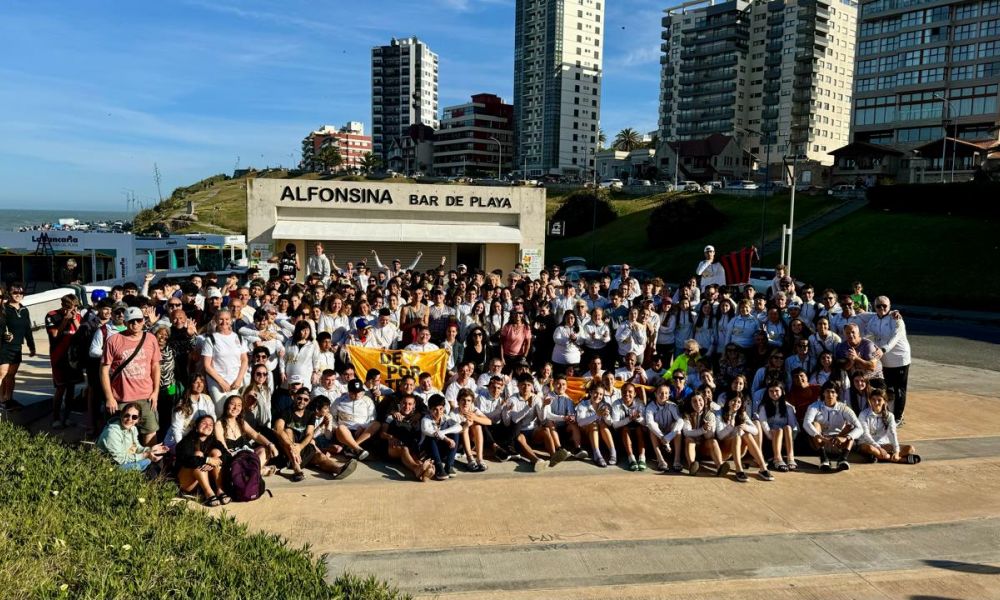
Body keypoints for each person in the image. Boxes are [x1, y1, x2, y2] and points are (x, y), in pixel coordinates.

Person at [101, 307, 161, 445]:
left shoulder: (150, 338)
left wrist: (155, 392)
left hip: (146, 396)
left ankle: (150, 458)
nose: (135, 324)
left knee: (150, 431)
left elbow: (155, 366)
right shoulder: (113, 340)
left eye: (138, 320)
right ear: (125, 322)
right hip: (121, 397)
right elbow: (104, 370)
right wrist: (109, 397)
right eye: (131, 321)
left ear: (143, 321)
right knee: (119, 434)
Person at [274, 387, 357, 482]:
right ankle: (297, 469)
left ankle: (339, 469)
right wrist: (292, 446)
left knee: (320, 456)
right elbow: (278, 429)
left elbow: (310, 434)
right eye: (299, 398)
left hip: (302, 448)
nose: (302, 401)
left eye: (305, 399)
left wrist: (300, 447)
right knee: (288, 430)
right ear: (294, 397)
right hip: (287, 452)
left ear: (308, 401)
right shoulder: (286, 412)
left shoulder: (310, 414)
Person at [867, 296, 911, 424]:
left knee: (899, 389)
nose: (882, 308)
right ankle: (887, 414)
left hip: (900, 359)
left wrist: (883, 349)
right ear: (874, 307)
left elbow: (895, 338)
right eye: (878, 306)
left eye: (884, 306)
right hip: (884, 361)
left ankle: (898, 417)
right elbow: (866, 332)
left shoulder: (896, 319)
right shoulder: (873, 319)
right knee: (888, 389)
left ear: (890, 306)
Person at [803, 380, 863, 472]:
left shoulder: (844, 408)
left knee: (851, 427)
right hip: (820, 442)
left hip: (839, 443)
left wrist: (845, 438)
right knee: (815, 424)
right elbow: (806, 423)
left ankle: (843, 459)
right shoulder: (814, 406)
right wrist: (822, 438)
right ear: (823, 393)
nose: (830, 395)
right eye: (827, 391)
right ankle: (824, 459)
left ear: (837, 394)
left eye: (833, 392)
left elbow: (860, 428)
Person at [215, 394, 279, 476]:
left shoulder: (241, 422)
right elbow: (222, 447)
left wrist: (270, 444)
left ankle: (252, 472)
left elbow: (256, 435)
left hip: (247, 454)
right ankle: (258, 471)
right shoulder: (219, 424)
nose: (235, 407)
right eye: (232, 404)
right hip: (233, 458)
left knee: (265, 450)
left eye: (239, 405)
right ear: (226, 405)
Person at [716, 392, 774, 482]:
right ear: (728, 402)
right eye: (733, 401)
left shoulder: (742, 413)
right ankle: (739, 469)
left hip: (739, 451)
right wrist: (730, 427)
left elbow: (756, 431)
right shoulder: (720, 413)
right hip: (724, 451)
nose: (736, 403)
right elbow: (720, 436)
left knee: (747, 434)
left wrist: (745, 427)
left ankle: (763, 468)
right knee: (737, 433)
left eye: (739, 402)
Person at [174, 415, 231, 506]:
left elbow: (228, 456)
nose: (208, 426)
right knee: (198, 454)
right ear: (196, 426)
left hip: (207, 480)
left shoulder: (214, 441)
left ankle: (220, 490)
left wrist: (215, 461)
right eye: (204, 423)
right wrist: (207, 460)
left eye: (211, 424)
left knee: (216, 452)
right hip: (188, 483)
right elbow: (186, 460)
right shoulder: (187, 441)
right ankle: (209, 493)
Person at [96, 404, 167, 476]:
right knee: (147, 462)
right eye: (127, 415)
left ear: (138, 420)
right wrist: (145, 455)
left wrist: (150, 449)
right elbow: (121, 460)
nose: (130, 419)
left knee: (152, 462)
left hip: (124, 460)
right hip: (110, 466)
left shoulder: (133, 428)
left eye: (134, 417)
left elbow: (137, 448)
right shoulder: (112, 433)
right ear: (121, 415)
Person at [46, 294, 83, 428]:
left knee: (71, 388)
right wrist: (65, 320)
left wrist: (74, 320)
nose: (73, 310)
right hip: (59, 357)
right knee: (61, 387)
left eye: (75, 307)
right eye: (70, 307)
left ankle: (67, 417)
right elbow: (55, 335)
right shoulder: (52, 315)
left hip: (73, 358)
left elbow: (82, 333)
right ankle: (56, 418)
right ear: (63, 306)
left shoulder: (78, 316)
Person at [201, 309, 249, 410]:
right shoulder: (210, 339)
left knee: (233, 411)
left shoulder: (238, 338)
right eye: (221, 319)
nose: (224, 322)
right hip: (216, 383)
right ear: (216, 320)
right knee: (220, 411)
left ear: (231, 320)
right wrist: (221, 382)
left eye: (227, 319)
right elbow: (207, 365)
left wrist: (239, 379)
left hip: (235, 382)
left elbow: (244, 360)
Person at [381, 392, 435, 481]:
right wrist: (390, 437)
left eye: (410, 404)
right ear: (400, 404)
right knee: (404, 449)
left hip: (411, 449)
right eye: (404, 403)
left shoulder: (417, 418)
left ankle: (424, 473)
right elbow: (382, 433)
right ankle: (417, 469)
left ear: (414, 406)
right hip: (393, 448)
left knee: (418, 460)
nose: (407, 406)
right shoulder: (391, 417)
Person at [858, 388, 921, 464]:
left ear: (884, 401)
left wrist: (896, 451)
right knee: (871, 448)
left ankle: (883, 457)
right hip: (867, 443)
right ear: (870, 401)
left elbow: (892, 433)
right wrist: (878, 447)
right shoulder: (863, 414)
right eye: (873, 400)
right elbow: (865, 434)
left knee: (911, 448)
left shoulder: (890, 416)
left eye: (879, 400)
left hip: (884, 444)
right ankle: (900, 459)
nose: (876, 402)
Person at [0, 282, 35, 411]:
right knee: (3, 374)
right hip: (4, 346)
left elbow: (27, 329)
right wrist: (4, 335)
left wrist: (31, 346)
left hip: (17, 346)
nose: (18, 295)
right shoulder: (3, 309)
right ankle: (1, 399)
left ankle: (8, 398)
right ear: (9, 294)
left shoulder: (24, 310)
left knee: (11, 375)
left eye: (21, 292)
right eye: (15, 292)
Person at [679, 393, 728, 477]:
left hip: (704, 446)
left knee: (713, 441)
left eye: (700, 400)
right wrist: (703, 429)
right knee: (689, 440)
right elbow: (687, 432)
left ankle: (720, 466)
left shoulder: (710, 414)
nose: (698, 403)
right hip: (691, 446)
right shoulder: (686, 414)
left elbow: (709, 436)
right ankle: (692, 466)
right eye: (694, 401)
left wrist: (708, 429)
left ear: (704, 401)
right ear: (690, 403)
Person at [756, 382, 799, 472]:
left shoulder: (788, 407)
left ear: (782, 392)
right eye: (771, 391)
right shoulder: (763, 406)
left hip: (786, 436)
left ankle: (791, 458)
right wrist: (770, 435)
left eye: (776, 391)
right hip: (770, 435)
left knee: (788, 428)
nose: (774, 393)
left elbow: (793, 424)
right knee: (778, 430)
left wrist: (792, 436)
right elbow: (763, 422)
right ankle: (777, 458)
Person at [165, 373, 216, 449]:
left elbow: (212, 416)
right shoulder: (182, 403)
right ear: (190, 384)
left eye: (201, 382)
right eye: (196, 382)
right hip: (180, 439)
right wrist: (182, 447)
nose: (200, 385)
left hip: (198, 438)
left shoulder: (206, 398)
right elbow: (177, 429)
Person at [608, 382, 648, 471]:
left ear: (634, 394)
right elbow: (615, 424)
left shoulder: (639, 403)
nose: (627, 394)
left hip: (638, 428)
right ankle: (631, 458)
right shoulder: (616, 404)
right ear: (621, 393)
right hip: (622, 431)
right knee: (625, 429)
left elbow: (646, 423)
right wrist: (629, 419)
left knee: (639, 429)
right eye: (624, 392)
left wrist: (638, 418)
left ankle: (642, 458)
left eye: (630, 392)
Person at [421, 394, 462, 480]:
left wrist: (442, 432)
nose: (438, 412)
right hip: (428, 451)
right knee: (431, 438)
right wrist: (446, 438)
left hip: (441, 450)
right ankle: (439, 467)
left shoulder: (446, 418)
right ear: (429, 409)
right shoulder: (425, 419)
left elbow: (459, 427)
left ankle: (449, 465)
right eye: (435, 409)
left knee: (455, 433)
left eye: (441, 409)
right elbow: (428, 431)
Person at [645, 383, 683, 472]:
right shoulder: (650, 406)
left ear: (669, 394)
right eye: (661, 393)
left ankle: (677, 460)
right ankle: (661, 460)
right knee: (651, 429)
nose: (663, 395)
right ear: (656, 394)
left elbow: (680, 420)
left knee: (678, 430)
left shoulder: (672, 405)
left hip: (670, 436)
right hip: (658, 435)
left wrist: (669, 437)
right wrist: (662, 437)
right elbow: (650, 423)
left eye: (666, 393)